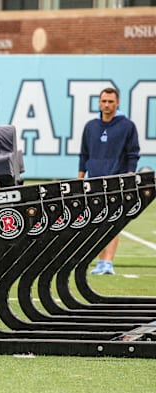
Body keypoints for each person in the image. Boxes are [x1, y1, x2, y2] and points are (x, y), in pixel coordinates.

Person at [78, 87, 140, 276]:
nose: (107, 105)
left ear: (117, 102)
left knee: (113, 223)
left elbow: (133, 154)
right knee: (95, 223)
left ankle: (108, 263)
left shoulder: (127, 126)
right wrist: (80, 178)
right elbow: (84, 154)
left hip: (116, 181)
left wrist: (129, 176)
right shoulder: (91, 126)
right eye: (104, 101)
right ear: (99, 102)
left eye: (111, 101)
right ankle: (99, 261)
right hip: (93, 181)